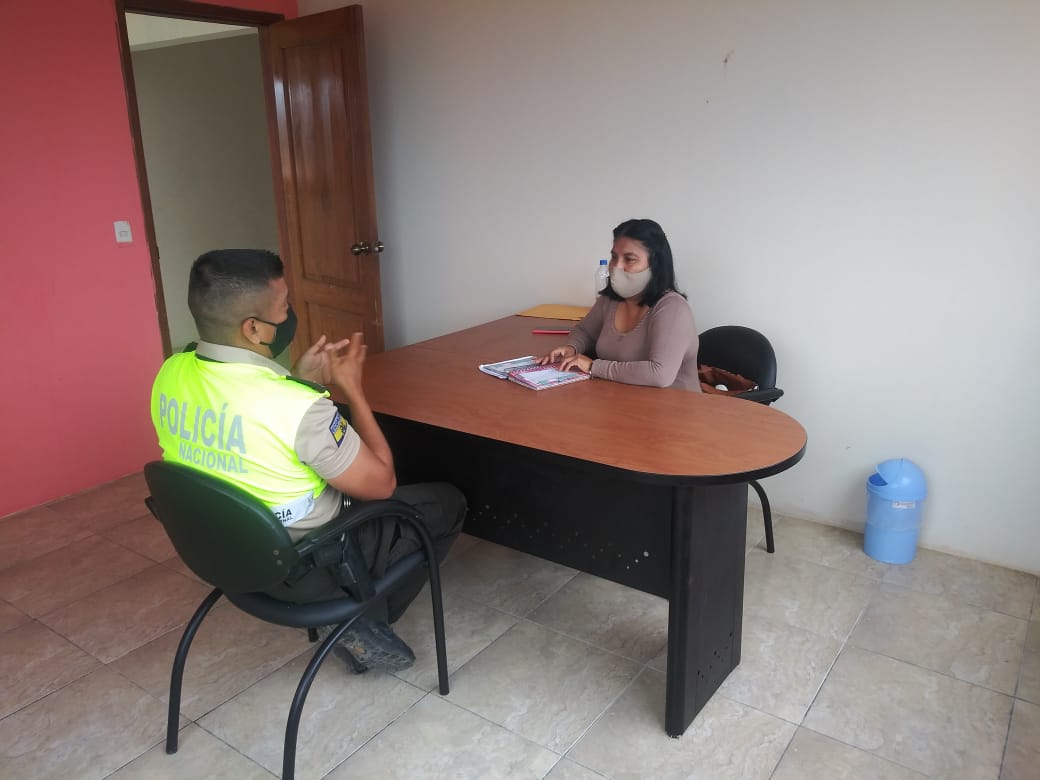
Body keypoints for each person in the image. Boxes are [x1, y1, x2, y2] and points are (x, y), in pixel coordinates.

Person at [150, 249, 466, 673]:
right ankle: (359, 620)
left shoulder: (170, 372)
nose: (289, 315)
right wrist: (352, 390)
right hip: (309, 562)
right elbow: (381, 484)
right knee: (446, 503)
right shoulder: (294, 407)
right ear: (253, 328)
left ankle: (353, 619)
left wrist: (298, 383)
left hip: (225, 550)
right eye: (284, 307)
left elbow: (251, 434)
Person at [539, 218, 699, 390]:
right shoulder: (610, 300)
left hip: (673, 403)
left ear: (655, 264)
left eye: (629, 259)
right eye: (614, 257)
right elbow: (585, 331)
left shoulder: (672, 308)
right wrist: (572, 348)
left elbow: (660, 374)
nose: (617, 266)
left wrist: (593, 366)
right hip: (620, 397)